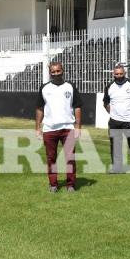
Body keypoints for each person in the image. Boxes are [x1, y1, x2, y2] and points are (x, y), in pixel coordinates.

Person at [35, 61, 82, 193]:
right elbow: (39, 108)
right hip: (49, 129)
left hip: (68, 128)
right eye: (53, 72)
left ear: (63, 71)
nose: (56, 74)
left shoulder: (70, 87)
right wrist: (37, 127)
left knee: (70, 158)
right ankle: (53, 184)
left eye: (58, 71)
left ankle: (71, 184)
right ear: (50, 73)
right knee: (51, 158)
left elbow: (77, 107)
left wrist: (78, 126)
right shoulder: (44, 88)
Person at [103, 63, 130, 174]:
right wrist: (112, 112)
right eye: (117, 74)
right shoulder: (109, 86)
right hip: (115, 121)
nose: (119, 76)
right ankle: (117, 168)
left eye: (121, 73)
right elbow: (106, 102)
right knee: (116, 145)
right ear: (113, 74)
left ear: (124, 73)